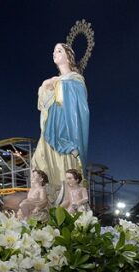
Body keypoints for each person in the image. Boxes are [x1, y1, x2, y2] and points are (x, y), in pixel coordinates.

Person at [31, 42, 90, 205]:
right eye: (53, 51)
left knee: (66, 161)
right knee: (39, 159)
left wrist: (59, 83)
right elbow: (43, 104)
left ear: (68, 56)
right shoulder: (54, 79)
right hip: (51, 126)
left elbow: (78, 105)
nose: (54, 53)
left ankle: (68, 201)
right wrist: (45, 86)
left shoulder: (76, 79)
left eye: (59, 51)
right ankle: (46, 201)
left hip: (66, 128)